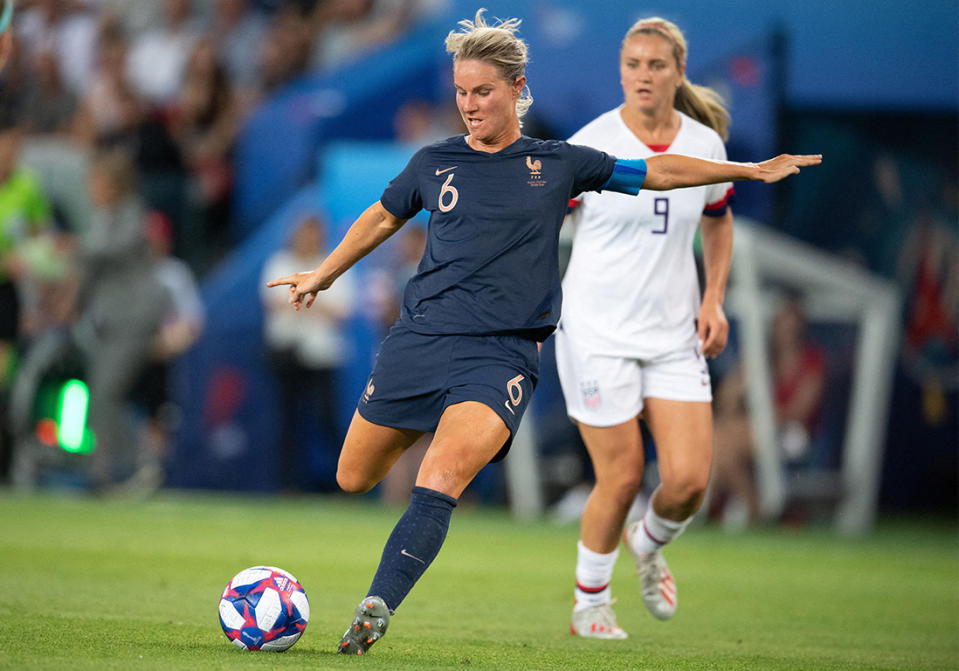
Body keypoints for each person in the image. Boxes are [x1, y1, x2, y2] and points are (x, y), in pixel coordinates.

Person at [266, 9, 820, 655]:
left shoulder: (559, 163)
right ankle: (412, 456)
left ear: (516, 88)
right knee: (351, 476)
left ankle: (376, 606)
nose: (470, 105)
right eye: (461, 92)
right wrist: (324, 274)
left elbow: (657, 171)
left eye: (483, 91)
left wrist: (748, 171)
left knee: (441, 477)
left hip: (501, 352)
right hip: (419, 340)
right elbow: (381, 219)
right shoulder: (433, 162)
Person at [554, 16, 741, 638]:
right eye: (633, 64)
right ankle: (590, 605)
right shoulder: (591, 143)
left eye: (656, 65)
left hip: (671, 336)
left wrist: (712, 298)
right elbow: (543, 221)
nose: (643, 75)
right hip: (596, 331)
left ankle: (649, 541)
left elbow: (717, 218)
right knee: (624, 475)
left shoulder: (706, 145)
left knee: (687, 483)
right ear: (621, 70)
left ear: (679, 73)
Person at [710, 293, 827, 525]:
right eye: (781, 320)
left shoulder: (812, 360)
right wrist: (740, 381)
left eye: (790, 320)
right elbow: (725, 402)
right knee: (721, 442)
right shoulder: (763, 358)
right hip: (759, 428)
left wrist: (761, 417)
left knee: (721, 440)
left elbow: (800, 411)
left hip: (793, 434)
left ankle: (715, 507)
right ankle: (757, 510)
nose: (786, 327)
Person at [260, 214, 355, 492]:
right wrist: (316, 302)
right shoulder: (280, 262)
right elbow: (272, 302)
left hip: (321, 357)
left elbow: (343, 311)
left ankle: (346, 485)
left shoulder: (332, 264)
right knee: (287, 423)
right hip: (286, 355)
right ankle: (287, 486)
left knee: (328, 421)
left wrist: (303, 296)